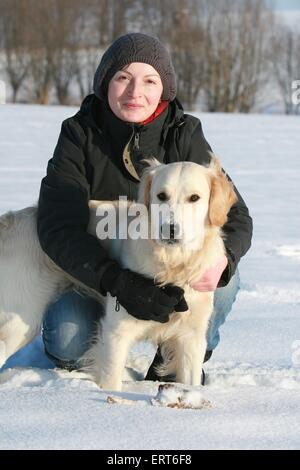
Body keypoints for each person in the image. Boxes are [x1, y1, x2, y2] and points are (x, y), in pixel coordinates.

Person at [37, 33, 252, 385]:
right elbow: (57, 227)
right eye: (123, 77)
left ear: (163, 89)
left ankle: (175, 358)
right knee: (68, 344)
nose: (135, 92)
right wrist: (115, 280)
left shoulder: (184, 132)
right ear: (105, 83)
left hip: (171, 264)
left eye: (149, 80)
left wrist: (224, 260)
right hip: (97, 271)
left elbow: (236, 214)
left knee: (221, 276)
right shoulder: (79, 134)